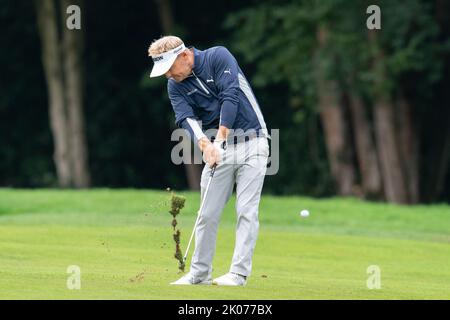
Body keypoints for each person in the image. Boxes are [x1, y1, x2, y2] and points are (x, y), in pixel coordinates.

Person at [148, 35, 270, 286]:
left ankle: (238, 273)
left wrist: (219, 140)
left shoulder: (218, 56)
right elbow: (185, 118)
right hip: (218, 148)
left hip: (254, 140)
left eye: (169, 68)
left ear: (184, 56)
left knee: (246, 211)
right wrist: (205, 145)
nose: (169, 75)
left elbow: (230, 95)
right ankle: (199, 273)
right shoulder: (175, 84)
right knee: (207, 212)